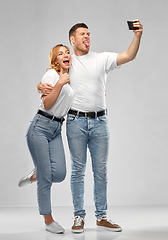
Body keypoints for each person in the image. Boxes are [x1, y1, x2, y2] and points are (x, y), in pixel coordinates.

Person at [23, 20, 143, 233]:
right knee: (77, 171)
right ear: (72, 39)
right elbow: (51, 77)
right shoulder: (67, 64)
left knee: (101, 171)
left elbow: (129, 55)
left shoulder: (101, 58)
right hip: (75, 122)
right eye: (82, 34)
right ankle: (79, 217)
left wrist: (137, 36)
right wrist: (38, 86)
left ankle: (102, 216)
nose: (87, 37)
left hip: (100, 122)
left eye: (89, 33)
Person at [18, 44, 74, 234]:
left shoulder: (70, 79)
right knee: (46, 179)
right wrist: (59, 83)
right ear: (55, 60)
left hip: (56, 128)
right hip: (40, 127)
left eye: (67, 52)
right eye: (60, 53)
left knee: (59, 174)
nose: (65, 55)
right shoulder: (51, 75)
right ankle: (48, 220)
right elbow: (48, 105)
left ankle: (35, 174)